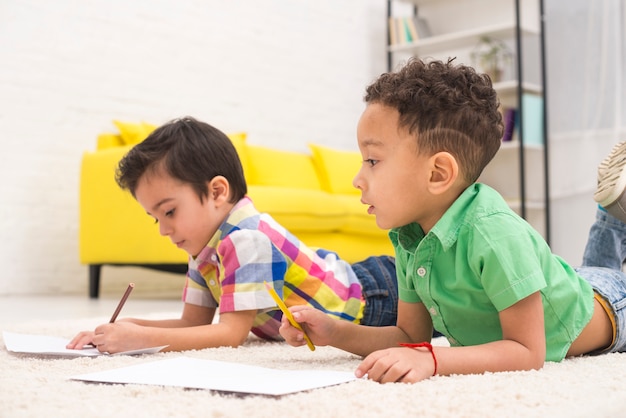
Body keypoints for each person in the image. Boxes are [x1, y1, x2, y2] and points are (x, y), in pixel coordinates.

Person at [279, 57, 626, 383]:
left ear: (438, 174)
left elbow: (527, 352)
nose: (357, 179)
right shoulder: (409, 237)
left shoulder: (493, 234)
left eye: (372, 161)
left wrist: (433, 359)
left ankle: (612, 216)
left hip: (611, 307)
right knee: (595, 267)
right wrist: (334, 331)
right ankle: (612, 213)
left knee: (604, 274)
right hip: (567, 285)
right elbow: (408, 337)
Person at [67, 117, 398, 354]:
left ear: (217, 192)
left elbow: (230, 335)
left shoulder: (246, 239)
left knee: (445, 322)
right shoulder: (203, 247)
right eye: (155, 219)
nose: (165, 230)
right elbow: (191, 323)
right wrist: (128, 328)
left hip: (374, 299)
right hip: (361, 287)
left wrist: (142, 340)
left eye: (169, 212)